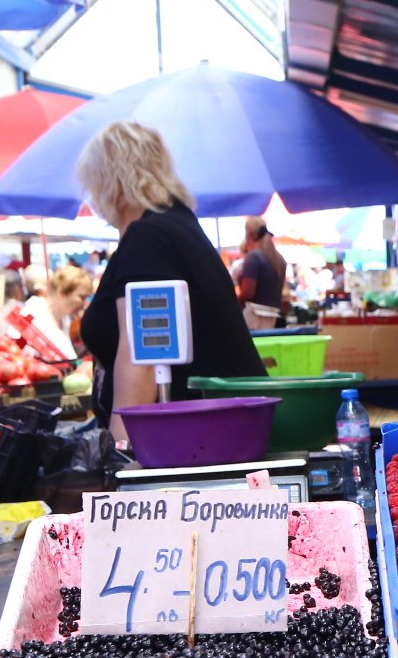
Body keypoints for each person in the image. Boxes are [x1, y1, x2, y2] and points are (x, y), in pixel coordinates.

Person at [75, 121, 264, 445]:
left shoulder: (150, 238)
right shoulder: (175, 227)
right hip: (213, 433)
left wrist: (120, 455)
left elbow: (142, 357)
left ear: (110, 180)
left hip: (190, 442)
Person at [21, 264, 92, 361]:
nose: (84, 304)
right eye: (81, 297)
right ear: (62, 292)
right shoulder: (32, 312)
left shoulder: (65, 319)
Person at [234, 216, 287, 330]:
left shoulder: (253, 257)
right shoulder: (279, 259)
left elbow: (248, 293)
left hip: (256, 317)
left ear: (251, 235)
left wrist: (236, 301)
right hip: (275, 316)